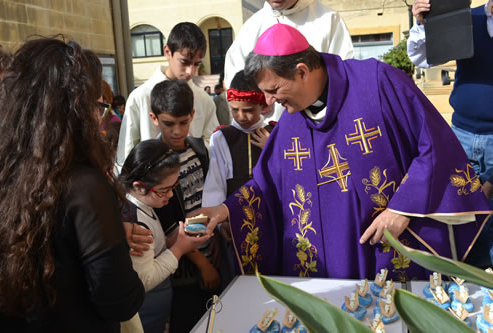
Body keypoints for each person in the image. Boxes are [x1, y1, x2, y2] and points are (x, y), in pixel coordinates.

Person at [196, 23, 491, 282]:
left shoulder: (378, 83)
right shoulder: (291, 119)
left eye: (273, 90)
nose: (269, 102)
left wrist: (402, 208)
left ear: (301, 71)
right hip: (326, 267)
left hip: (386, 248)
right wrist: (224, 210)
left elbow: (436, 145)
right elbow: (268, 183)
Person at [0, 38, 144, 332]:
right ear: (74, 109)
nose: (98, 119)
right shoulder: (84, 186)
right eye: (95, 105)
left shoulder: (2, 173)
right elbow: (119, 300)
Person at [407, 0, 493, 267]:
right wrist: (423, 25)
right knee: (461, 213)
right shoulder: (467, 18)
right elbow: (423, 58)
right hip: (462, 134)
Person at [148, 79, 222, 332]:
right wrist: (202, 263)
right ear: (154, 118)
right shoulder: (152, 162)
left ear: (193, 115)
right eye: (169, 124)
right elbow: (165, 226)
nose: (177, 131)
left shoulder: (199, 150)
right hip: (182, 267)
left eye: (183, 122)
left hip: (211, 251)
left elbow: (210, 199)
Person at [118, 140, 211, 333]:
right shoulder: (137, 228)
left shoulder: (142, 204)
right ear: (139, 186)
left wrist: (175, 239)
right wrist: (179, 248)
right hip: (145, 313)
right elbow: (144, 280)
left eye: (174, 186)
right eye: (163, 190)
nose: (170, 195)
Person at [224, 0, 354, 123]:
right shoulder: (251, 27)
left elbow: (340, 77)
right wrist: (257, 101)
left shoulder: (328, 20)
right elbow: (236, 81)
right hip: (264, 128)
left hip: (319, 121)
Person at [116, 22, 219, 170]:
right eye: (184, 62)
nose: (191, 71)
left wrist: (192, 144)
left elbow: (214, 146)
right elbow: (125, 154)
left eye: (196, 64)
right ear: (167, 52)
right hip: (150, 185)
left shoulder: (204, 100)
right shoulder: (140, 97)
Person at [202, 69, 274, 207]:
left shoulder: (274, 134)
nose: (241, 116)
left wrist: (271, 149)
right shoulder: (221, 138)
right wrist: (220, 222)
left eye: (248, 110)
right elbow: (215, 185)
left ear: (263, 106)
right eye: (234, 110)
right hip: (233, 214)